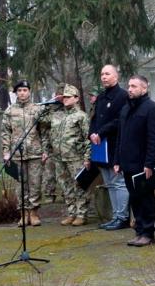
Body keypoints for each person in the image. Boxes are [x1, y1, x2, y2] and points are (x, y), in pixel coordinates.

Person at [114, 75, 155, 247]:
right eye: (129, 86)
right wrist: (117, 160)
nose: (130, 89)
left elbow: (153, 139)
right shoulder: (126, 109)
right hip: (127, 162)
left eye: (134, 86)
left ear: (144, 88)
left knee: (146, 198)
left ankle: (148, 233)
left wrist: (149, 163)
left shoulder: (152, 108)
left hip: (143, 164)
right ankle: (139, 231)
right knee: (134, 198)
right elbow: (120, 137)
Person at [2, 79, 50, 227]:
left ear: (29, 91)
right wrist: (6, 151)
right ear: (16, 93)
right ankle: (23, 214)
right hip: (17, 154)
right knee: (21, 184)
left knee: (35, 183)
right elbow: (5, 133)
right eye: (19, 91)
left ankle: (34, 213)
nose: (22, 93)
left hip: (35, 152)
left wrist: (45, 150)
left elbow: (44, 132)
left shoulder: (37, 109)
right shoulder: (10, 111)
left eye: (25, 90)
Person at [89, 65, 130, 230]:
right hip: (100, 146)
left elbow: (120, 120)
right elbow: (94, 119)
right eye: (102, 74)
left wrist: (101, 132)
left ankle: (123, 217)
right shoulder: (100, 97)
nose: (104, 77)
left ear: (116, 76)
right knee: (109, 183)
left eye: (107, 74)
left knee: (119, 182)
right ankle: (115, 216)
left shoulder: (122, 96)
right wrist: (92, 133)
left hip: (114, 144)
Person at [47, 85, 91, 226]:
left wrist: (87, 157)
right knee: (65, 186)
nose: (65, 99)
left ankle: (81, 214)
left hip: (76, 157)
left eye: (68, 97)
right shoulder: (57, 115)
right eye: (63, 97)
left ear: (76, 98)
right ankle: (71, 213)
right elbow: (42, 120)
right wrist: (53, 101)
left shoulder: (81, 116)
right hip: (59, 157)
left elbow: (87, 138)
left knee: (79, 186)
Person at [41, 84, 66, 204]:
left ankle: (67, 194)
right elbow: (45, 132)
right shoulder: (50, 109)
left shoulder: (70, 108)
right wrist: (45, 150)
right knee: (49, 173)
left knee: (64, 173)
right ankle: (49, 194)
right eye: (58, 95)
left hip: (66, 148)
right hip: (51, 148)